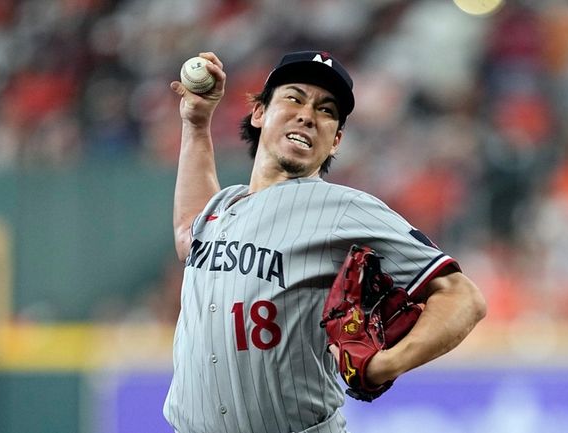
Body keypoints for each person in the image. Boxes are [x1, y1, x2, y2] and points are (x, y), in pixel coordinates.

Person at [163, 50, 487, 433]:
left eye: (326, 110)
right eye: (294, 97)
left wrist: (390, 362)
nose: (307, 114)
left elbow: (463, 296)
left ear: (335, 141)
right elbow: (190, 234)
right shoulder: (225, 204)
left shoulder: (343, 209)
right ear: (260, 113)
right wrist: (197, 124)